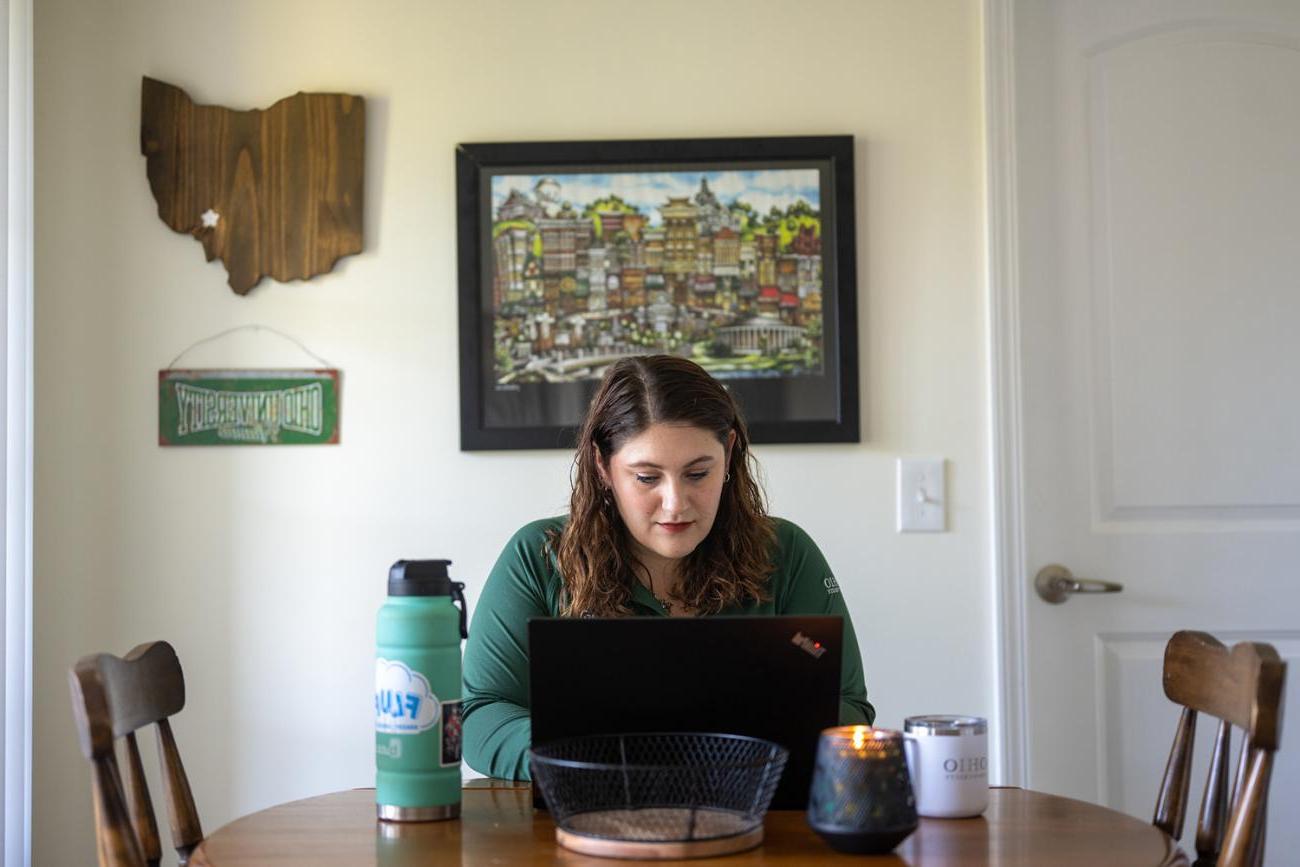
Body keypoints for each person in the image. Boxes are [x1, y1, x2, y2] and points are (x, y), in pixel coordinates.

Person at [462, 355, 874, 781]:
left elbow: (846, 703)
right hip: (581, 818)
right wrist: (586, 758)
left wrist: (724, 752)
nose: (675, 503)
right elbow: (481, 715)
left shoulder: (786, 552)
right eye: (646, 478)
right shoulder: (539, 555)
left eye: (697, 473)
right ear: (603, 466)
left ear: (729, 453)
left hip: (757, 817)